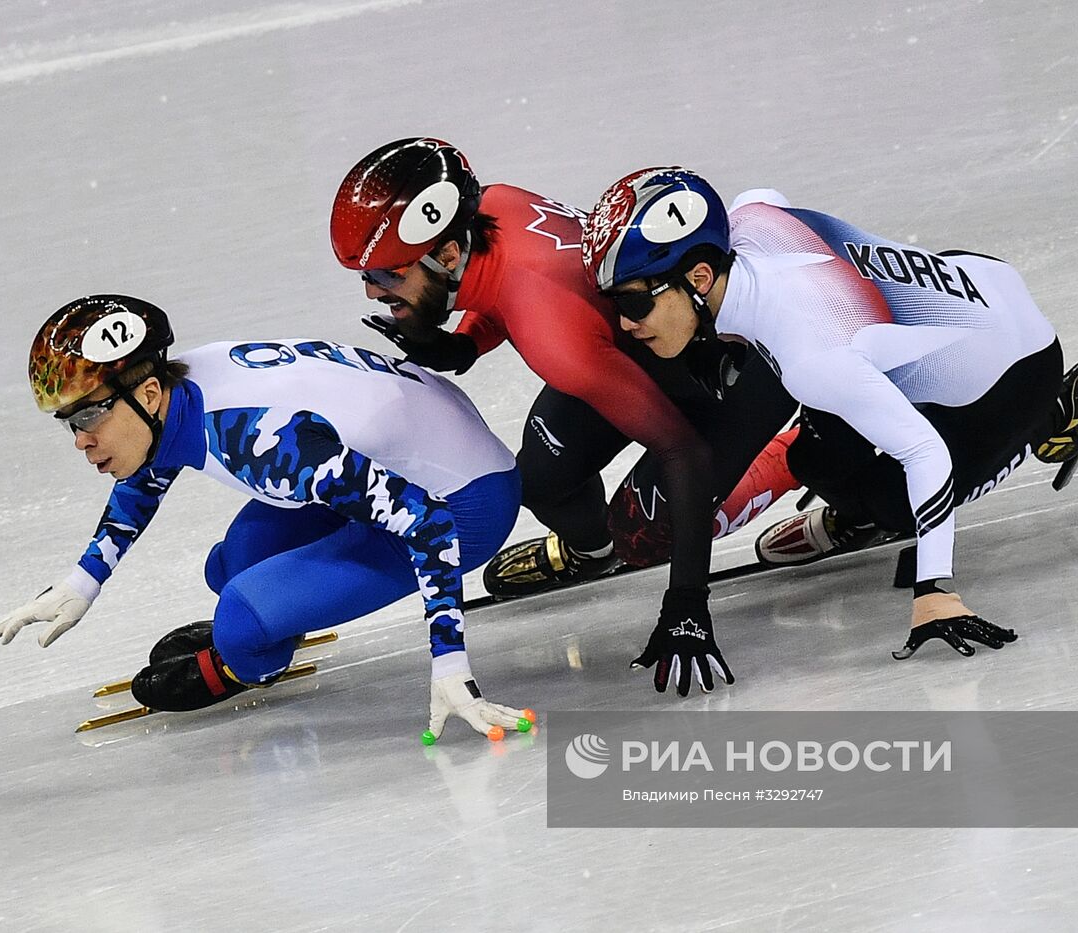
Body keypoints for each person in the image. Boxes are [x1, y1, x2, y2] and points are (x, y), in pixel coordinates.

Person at [330, 137, 800, 696]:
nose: (371, 290)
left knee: (645, 536)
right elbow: (504, 291)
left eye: (386, 276)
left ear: (448, 255)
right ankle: (591, 555)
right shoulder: (496, 205)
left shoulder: (556, 339)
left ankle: (793, 455)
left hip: (730, 377)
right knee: (542, 482)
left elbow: (684, 451)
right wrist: (461, 347)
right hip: (624, 346)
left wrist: (687, 604)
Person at [582, 168, 1078, 660]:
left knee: (896, 505)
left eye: (634, 305)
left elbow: (925, 452)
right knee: (817, 459)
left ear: (699, 279)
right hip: (972, 279)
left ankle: (1053, 413)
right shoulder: (748, 222)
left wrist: (935, 591)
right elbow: (764, 196)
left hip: (1017, 370)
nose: (626, 324)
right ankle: (858, 506)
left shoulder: (812, 358)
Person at [0, 294, 527, 741]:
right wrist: (84, 580)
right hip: (402, 458)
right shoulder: (179, 391)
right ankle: (271, 620)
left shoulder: (256, 441)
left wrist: (452, 667)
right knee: (232, 564)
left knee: (242, 621)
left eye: (88, 416)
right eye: (68, 422)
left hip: (464, 502)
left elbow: (426, 523)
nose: (81, 441)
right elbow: (149, 465)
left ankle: (250, 656)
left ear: (149, 392)